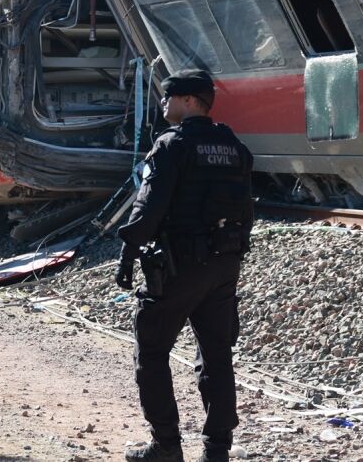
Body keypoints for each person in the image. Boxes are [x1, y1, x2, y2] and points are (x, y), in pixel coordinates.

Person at [116, 70, 254, 462]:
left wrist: (128, 251)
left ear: (190, 101)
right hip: (224, 266)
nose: (163, 102)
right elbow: (246, 210)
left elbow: (149, 207)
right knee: (216, 356)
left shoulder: (171, 145)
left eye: (170, 96)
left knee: (152, 350)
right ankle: (216, 451)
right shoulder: (233, 146)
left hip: (180, 266)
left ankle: (166, 445)